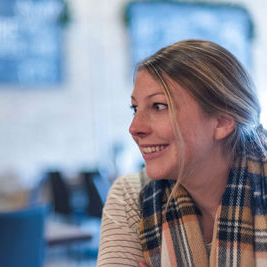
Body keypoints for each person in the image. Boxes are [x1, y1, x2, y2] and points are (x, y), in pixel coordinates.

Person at [96, 39, 267, 267]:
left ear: (222, 122)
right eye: (135, 109)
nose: (134, 128)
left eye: (158, 106)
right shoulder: (131, 198)